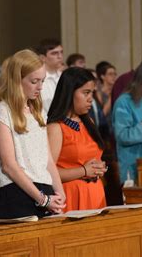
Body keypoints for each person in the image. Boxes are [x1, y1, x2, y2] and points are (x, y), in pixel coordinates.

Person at [0, 49, 65, 218]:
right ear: (17, 80)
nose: (40, 87)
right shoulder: (3, 111)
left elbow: (48, 160)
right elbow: (9, 165)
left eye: (43, 81)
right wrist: (43, 199)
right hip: (17, 193)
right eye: (34, 81)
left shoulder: (37, 111)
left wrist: (60, 192)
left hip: (44, 189)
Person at [47, 67, 107, 212]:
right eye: (86, 92)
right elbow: (48, 173)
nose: (90, 98)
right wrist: (84, 171)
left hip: (96, 193)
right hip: (72, 196)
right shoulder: (56, 127)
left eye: (92, 92)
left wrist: (100, 168)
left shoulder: (89, 122)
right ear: (69, 93)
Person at [34, 39, 64, 117]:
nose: (60, 56)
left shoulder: (64, 77)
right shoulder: (36, 80)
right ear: (42, 57)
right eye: (54, 53)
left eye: (61, 52)